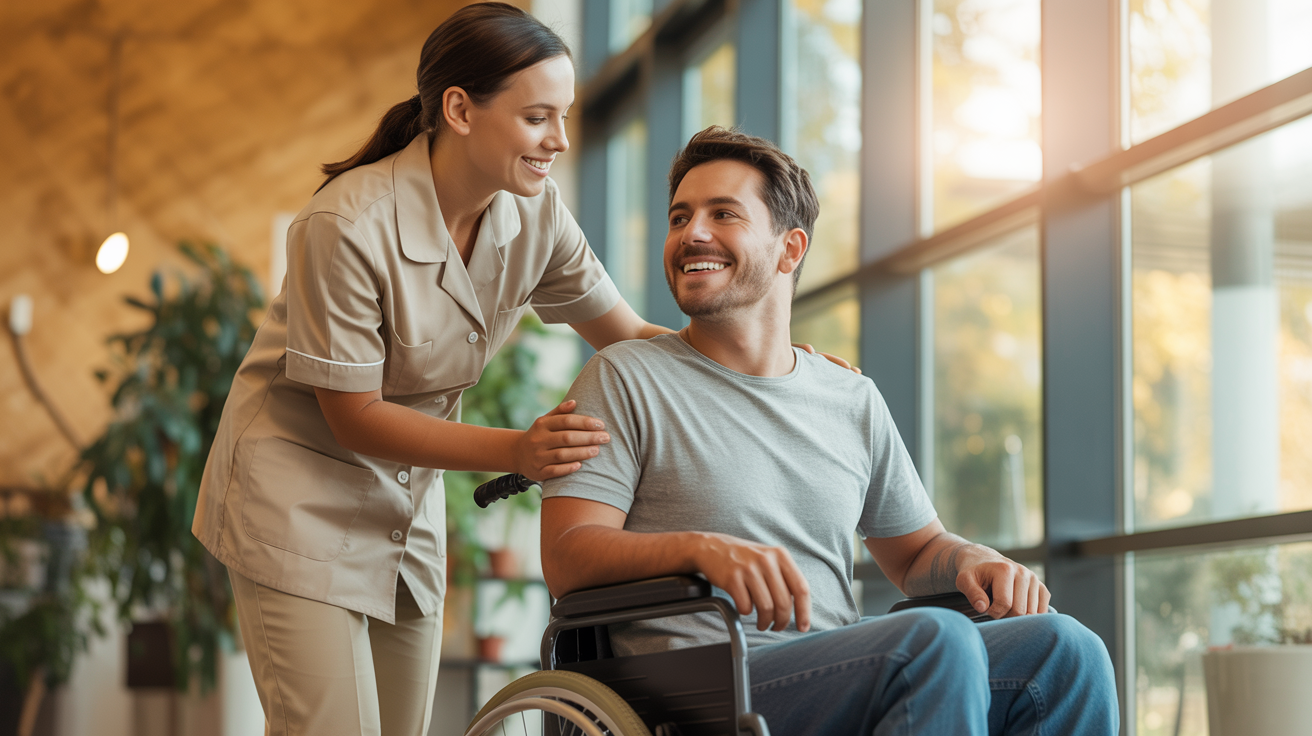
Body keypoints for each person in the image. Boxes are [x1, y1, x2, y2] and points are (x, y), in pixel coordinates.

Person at [540, 126, 1119, 735]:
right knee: (930, 642)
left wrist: (970, 557)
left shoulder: (849, 397)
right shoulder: (623, 378)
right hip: (695, 690)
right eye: (680, 216)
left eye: (723, 214)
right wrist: (699, 549)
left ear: (789, 250)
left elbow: (916, 552)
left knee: (1065, 650)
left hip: (840, 673)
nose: (692, 233)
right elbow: (567, 556)